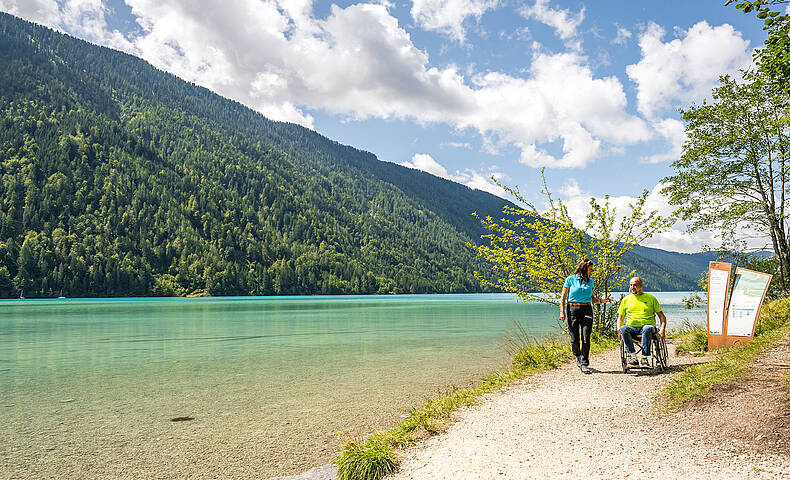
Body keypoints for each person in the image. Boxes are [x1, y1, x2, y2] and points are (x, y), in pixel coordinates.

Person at [560, 259, 612, 374]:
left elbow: (593, 299)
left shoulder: (590, 282)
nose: (592, 271)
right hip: (572, 309)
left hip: (587, 310)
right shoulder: (570, 279)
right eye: (590, 269)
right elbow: (563, 297)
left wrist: (603, 300)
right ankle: (578, 355)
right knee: (574, 338)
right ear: (584, 268)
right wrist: (562, 312)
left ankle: (584, 363)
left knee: (586, 337)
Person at [618, 277, 667, 367]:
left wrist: (662, 329)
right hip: (632, 328)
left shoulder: (651, 298)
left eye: (635, 285)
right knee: (623, 328)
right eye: (631, 285)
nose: (632, 287)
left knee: (647, 328)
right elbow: (620, 318)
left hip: (648, 328)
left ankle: (644, 358)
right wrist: (618, 330)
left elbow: (662, 316)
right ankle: (633, 358)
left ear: (641, 286)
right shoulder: (626, 300)